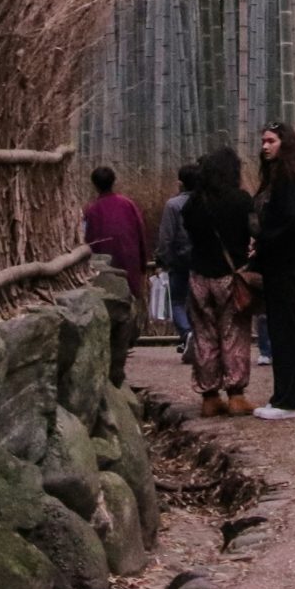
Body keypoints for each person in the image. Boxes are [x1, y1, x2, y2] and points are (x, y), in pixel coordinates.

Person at [181, 145, 259, 417]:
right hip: (230, 275)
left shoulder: (193, 203)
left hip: (199, 275)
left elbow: (189, 233)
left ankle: (209, 396)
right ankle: (236, 395)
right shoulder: (241, 200)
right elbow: (253, 231)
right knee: (234, 333)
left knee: (204, 335)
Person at [251, 126, 295, 420]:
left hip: (283, 262)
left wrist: (263, 242)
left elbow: (293, 220)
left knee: (285, 329)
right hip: (276, 260)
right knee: (279, 329)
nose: (265, 146)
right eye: (263, 141)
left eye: (271, 141)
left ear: (284, 143)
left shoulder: (289, 177)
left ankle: (290, 400)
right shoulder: (277, 176)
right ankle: (282, 395)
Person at [81, 166, 149, 305]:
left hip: (106, 266)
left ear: (94, 185)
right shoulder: (128, 204)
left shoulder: (92, 210)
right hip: (130, 261)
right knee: (132, 301)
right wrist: (143, 262)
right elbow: (141, 232)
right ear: (114, 181)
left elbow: (85, 240)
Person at [155, 164, 199, 354]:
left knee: (177, 301)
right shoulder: (205, 202)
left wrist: (162, 260)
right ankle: (196, 337)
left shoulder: (173, 205)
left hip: (180, 259)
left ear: (180, 183)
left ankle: (187, 333)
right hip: (202, 259)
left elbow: (166, 236)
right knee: (198, 301)